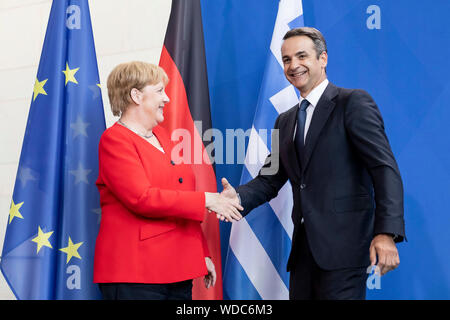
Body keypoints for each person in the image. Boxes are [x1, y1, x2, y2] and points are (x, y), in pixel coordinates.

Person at [219, 27, 406, 300]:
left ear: (323, 59)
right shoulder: (284, 120)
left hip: (343, 252)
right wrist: (236, 197)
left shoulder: (352, 103)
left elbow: (384, 169)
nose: (293, 65)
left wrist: (386, 232)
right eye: (286, 59)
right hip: (303, 256)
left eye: (301, 56)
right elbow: (270, 179)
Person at [93, 61, 242, 300]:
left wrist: (201, 253)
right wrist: (207, 200)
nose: (167, 99)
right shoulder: (115, 141)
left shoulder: (165, 137)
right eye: (160, 91)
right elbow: (142, 198)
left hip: (178, 269)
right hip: (135, 273)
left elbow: (181, 200)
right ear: (136, 95)